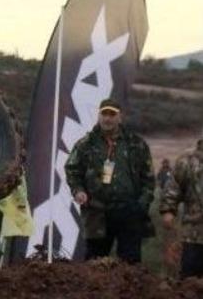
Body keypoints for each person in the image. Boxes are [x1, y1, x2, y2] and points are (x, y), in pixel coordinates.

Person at [65, 98, 155, 263]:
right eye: (104, 114)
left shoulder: (136, 143)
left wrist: (141, 205)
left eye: (112, 114)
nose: (107, 118)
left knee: (130, 263)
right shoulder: (86, 144)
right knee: (94, 262)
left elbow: (148, 178)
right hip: (96, 211)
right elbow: (72, 170)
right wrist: (78, 190)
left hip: (129, 211)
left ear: (119, 117)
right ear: (98, 116)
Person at [159, 133, 203, 278]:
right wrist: (168, 210)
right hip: (194, 233)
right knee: (190, 279)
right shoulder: (188, 160)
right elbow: (174, 187)